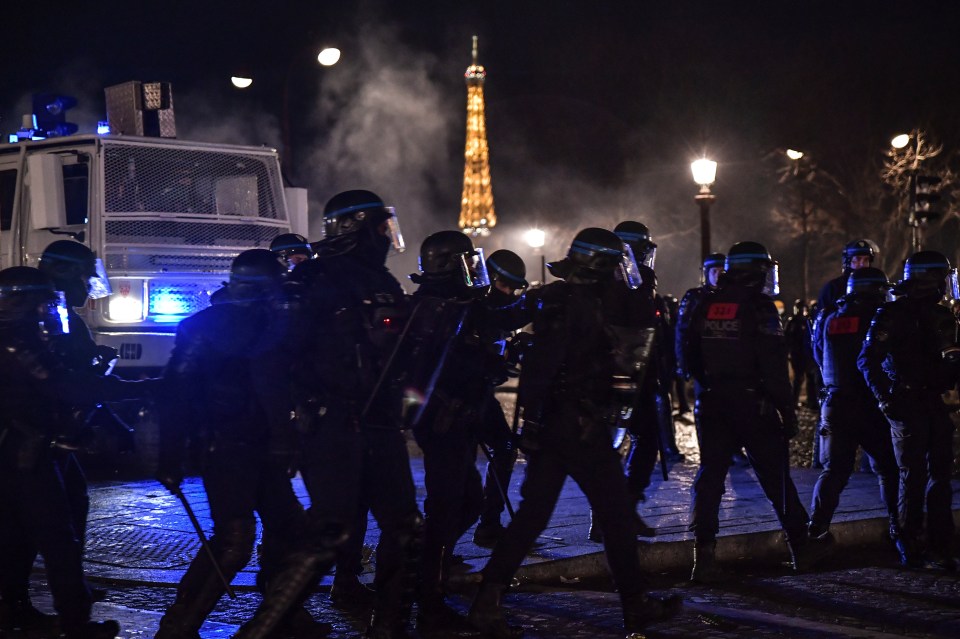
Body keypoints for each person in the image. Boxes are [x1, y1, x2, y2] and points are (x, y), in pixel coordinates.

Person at [467, 228, 681, 639]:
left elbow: (497, 324)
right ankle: (635, 606)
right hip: (582, 427)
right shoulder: (596, 303)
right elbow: (637, 324)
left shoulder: (552, 297)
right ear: (601, 266)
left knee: (531, 518)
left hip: (552, 426)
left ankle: (487, 600)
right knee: (617, 516)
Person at [233, 190, 422, 639]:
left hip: (379, 422)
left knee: (405, 528)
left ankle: (389, 626)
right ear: (357, 228)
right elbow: (270, 360)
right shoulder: (312, 281)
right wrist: (283, 429)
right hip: (332, 422)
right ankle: (266, 627)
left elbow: (399, 356)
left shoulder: (381, 280)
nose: (386, 238)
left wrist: (410, 402)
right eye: (380, 228)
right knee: (330, 532)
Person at [154, 249, 321, 639]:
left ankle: (282, 615)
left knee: (291, 530)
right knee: (235, 538)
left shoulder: (274, 326)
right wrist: (170, 455)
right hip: (225, 446)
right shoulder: (205, 327)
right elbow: (175, 392)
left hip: (262, 447)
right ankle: (178, 626)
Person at [0, 266, 153, 639]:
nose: (52, 310)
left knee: (18, 538)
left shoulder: (24, 339)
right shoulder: (17, 343)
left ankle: (14, 611)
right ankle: (75, 622)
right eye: (46, 302)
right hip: (23, 453)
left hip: (25, 450)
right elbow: (67, 389)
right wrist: (148, 387)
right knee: (57, 540)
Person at [684, 241, 827, 583]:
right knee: (775, 478)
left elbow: (687, 353)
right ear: (755, 272)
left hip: (712, 401)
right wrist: (787, 412)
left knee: (710, 477)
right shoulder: (760, 307)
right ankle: (801, 548)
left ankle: (702, 556)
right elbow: (774, 365)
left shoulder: (704, 303)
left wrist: (709, 385)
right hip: (752, 402)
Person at [407, 230, 494, 636]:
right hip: (444, 424)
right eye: (466, 261)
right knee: (445, 509)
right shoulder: (432, 308)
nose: (473, 269)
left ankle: (431, 565)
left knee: (469, 502)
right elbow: (428, 370)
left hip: (457, 422)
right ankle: (427, 594)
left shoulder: (455, 304)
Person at [858, 251, 960, 569]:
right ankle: (910, 541)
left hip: (934, 402)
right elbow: (868, 359)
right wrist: (886, 398)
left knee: (940, 476)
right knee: (912, 475)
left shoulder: (942, 315)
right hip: (906, 402)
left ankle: (941, 545)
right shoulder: (892, 313)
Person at [808, 267, 900, 547]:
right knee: (888, 467)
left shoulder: (828, 316)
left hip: (835, 402)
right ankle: (899, 527)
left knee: (833, 471)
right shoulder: (880, 316)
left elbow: (818, 355)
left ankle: (817, 530)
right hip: (870, 403)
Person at [473, 250, 527, 548]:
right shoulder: (474, 307)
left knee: (506, 450)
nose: (510, 293)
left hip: (480, 395)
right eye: (506, 286)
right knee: (457, 475)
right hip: (459, 399)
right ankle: (438, 547)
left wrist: (511, 351)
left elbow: (497, 364)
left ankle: (489, 523)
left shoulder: (494, 310)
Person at [816, 239, 877, 317]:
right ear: (848, 262)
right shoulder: (833, 288)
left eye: (866, 260)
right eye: (858, 259)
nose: (862, 264)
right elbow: (820, 321)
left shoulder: (875, 286)